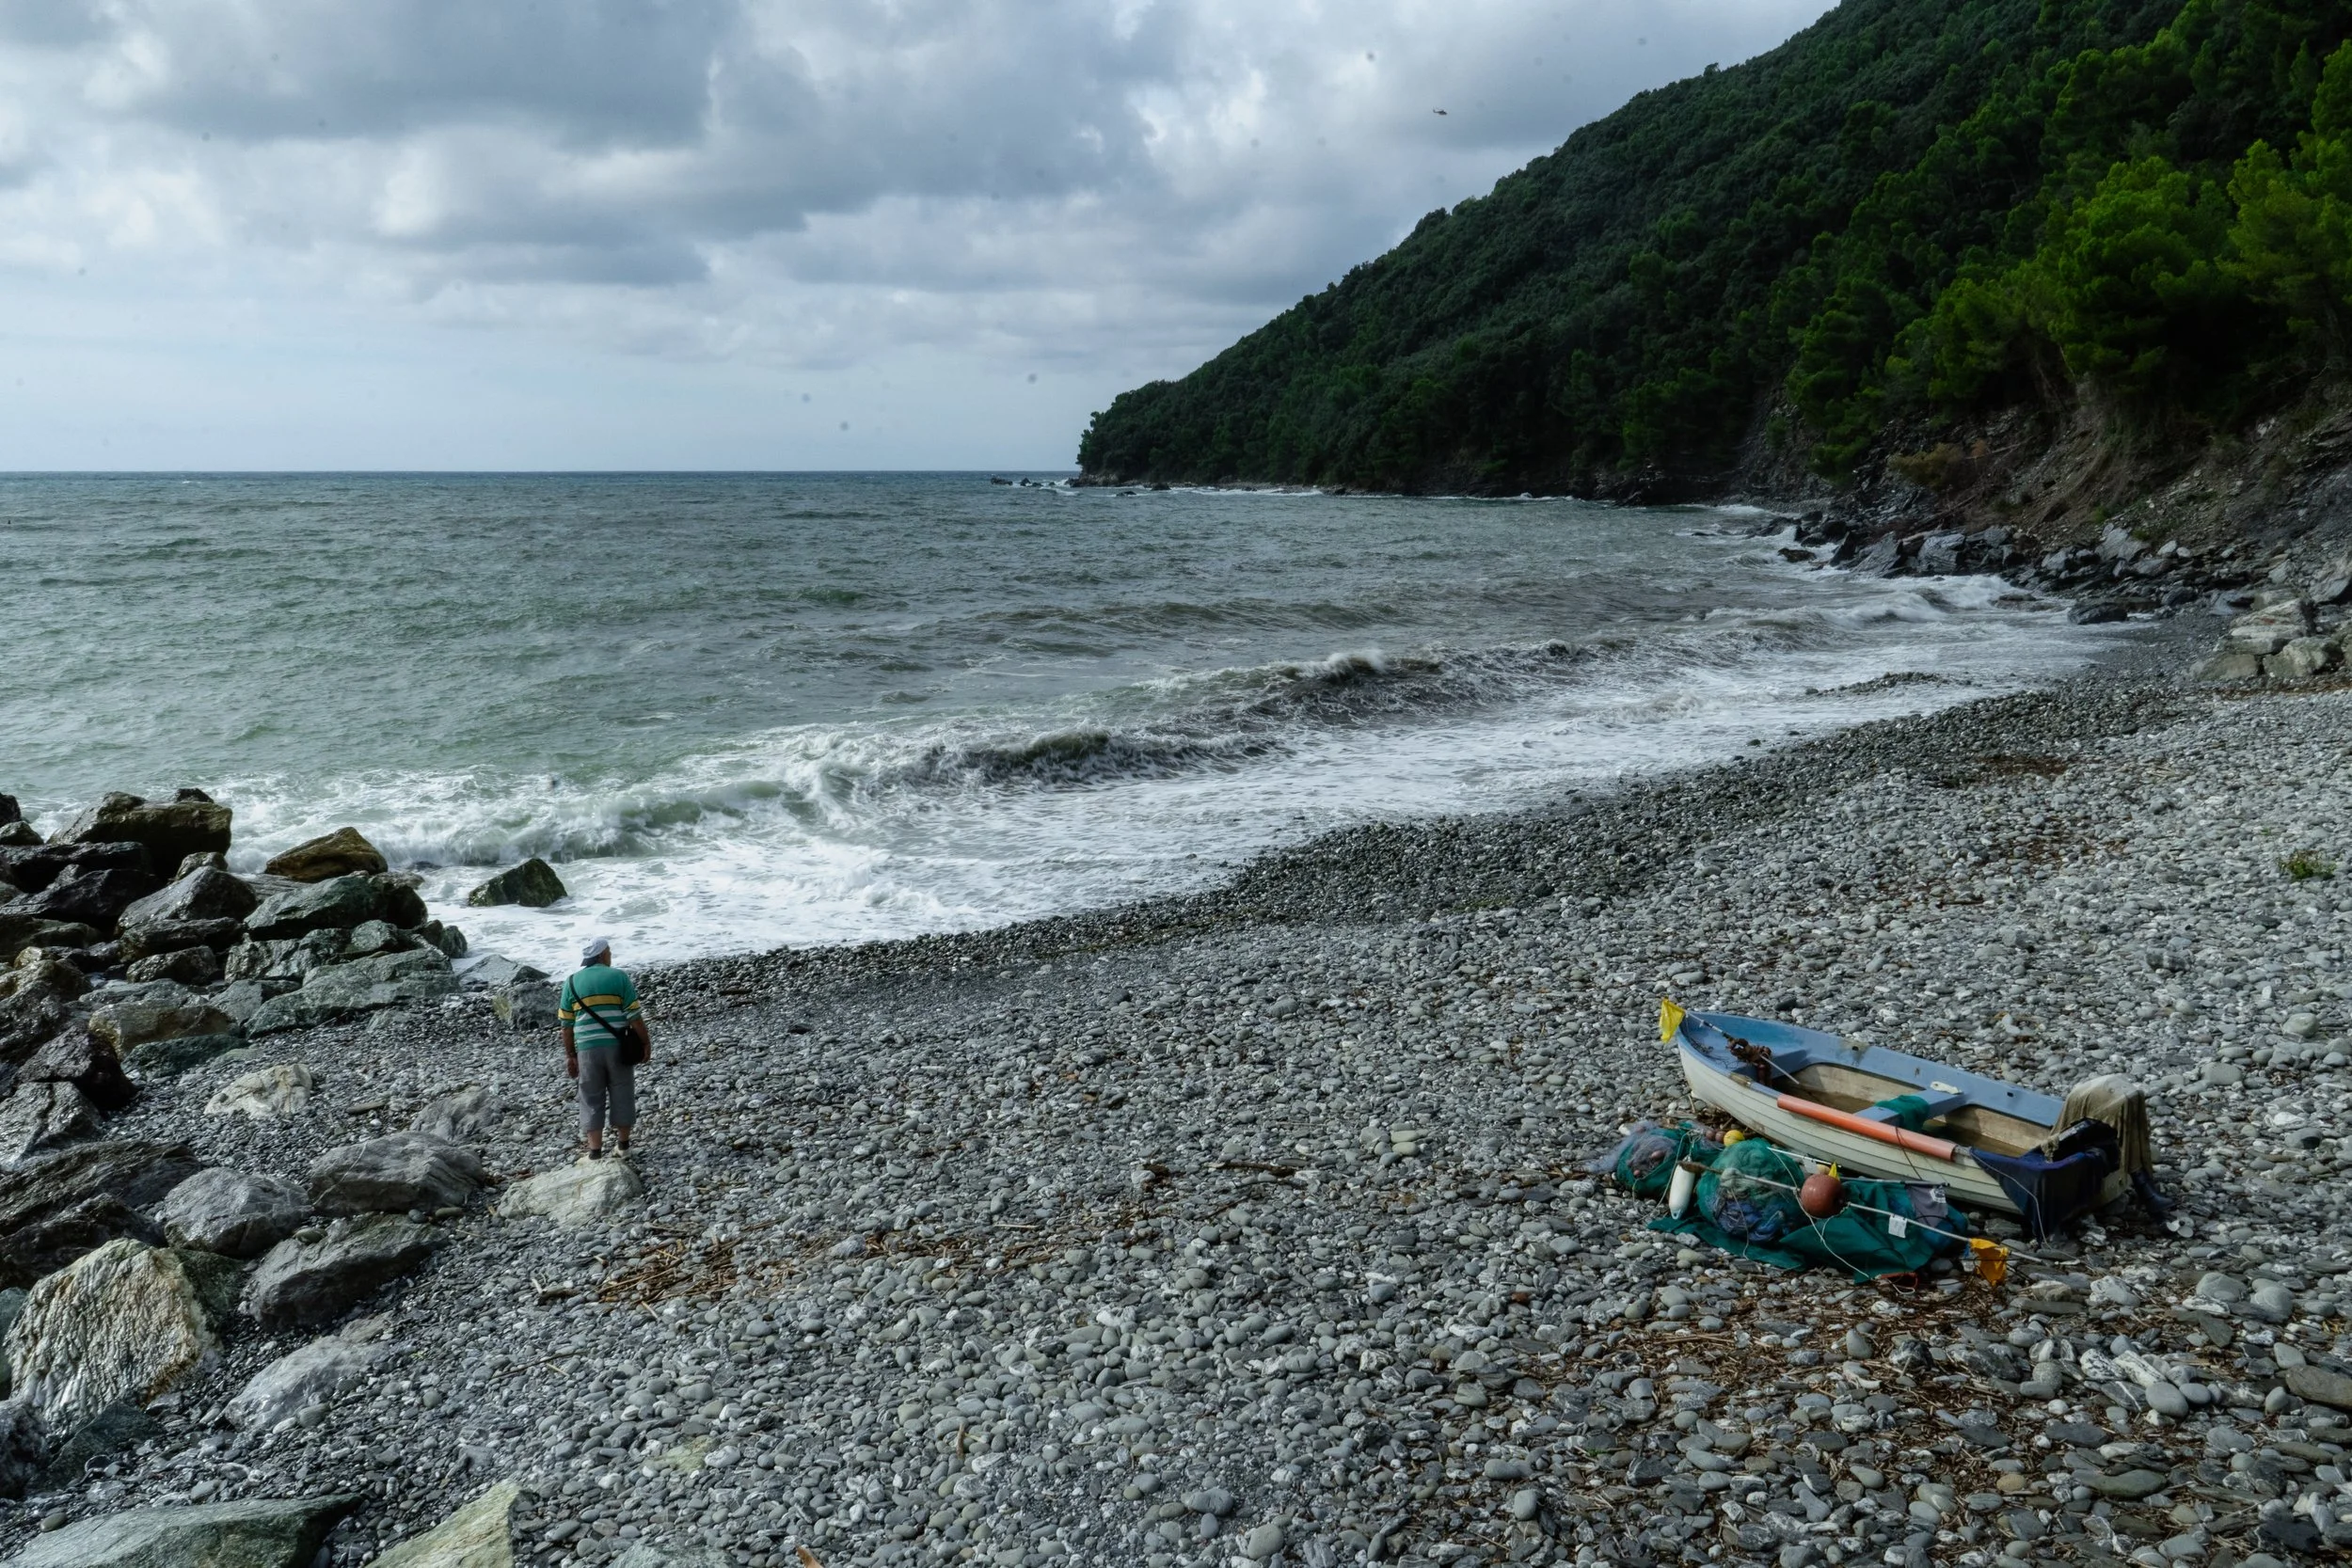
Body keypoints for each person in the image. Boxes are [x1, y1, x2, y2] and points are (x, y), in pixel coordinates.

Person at [557, 936, 650, 1160]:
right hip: (618, 1047)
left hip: (587, 1049)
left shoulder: (571, 982)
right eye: (609, 951)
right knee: (622, 1091)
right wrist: (645, 1042)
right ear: (601, 955)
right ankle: (623, 1147)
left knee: (590, 1096)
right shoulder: (618, 977)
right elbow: (634, 1016)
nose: (611, 954)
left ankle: (595, 1152)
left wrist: (571, 1055)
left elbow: (566, 1026)